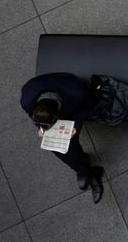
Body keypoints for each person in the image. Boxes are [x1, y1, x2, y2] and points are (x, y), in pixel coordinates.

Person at [20, 73, 105, 203]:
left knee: (69, 143)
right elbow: (35, 118)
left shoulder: (76, 93)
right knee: (56, 147)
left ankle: (88, 173)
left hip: (76, 107)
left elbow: (86, 104)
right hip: (59, 106)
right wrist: (41, 129)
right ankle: (86, 171)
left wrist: (74, 125)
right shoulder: (27, 100)